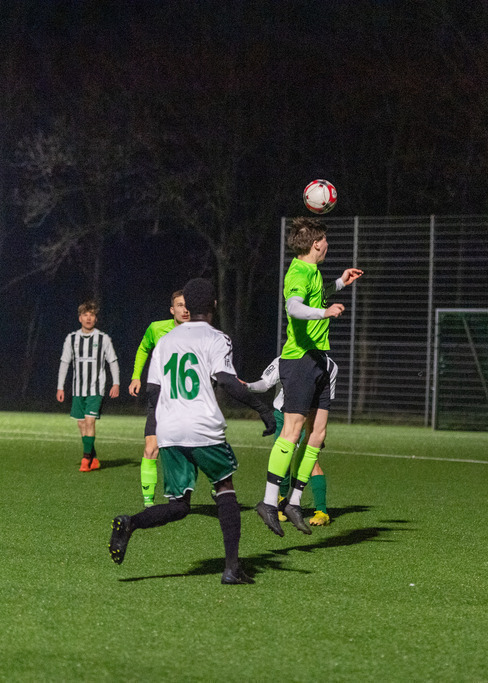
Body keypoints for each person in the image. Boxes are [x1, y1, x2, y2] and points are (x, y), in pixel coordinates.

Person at [108, 278, 276, 585]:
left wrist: (153, 431)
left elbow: (154, 392)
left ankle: (131, 523)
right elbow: (226, 381)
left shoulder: (165, 342)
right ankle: (231, 568)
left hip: (170, 429)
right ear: (213, 305)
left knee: (179, 506)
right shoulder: (217, 338)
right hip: (202, 426)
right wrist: (263, 408)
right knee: (225, 488)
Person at [256, 216, 362, 536]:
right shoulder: (299, 271)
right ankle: (269, 501)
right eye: (326, 240)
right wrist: (324, 313)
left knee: (317, 435)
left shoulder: (314, 272)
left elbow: (318, 295)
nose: (328, 245)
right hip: (299, 359)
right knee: (292, 432)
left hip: (317, 359)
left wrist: (341, 283)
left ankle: (294, 501)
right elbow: (295, 307)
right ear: (316, 244)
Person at [245, 356, 338, 526]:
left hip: (310, 416)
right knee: (283, 462)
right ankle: (281, 503)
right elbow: (265, 383)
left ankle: (321, 511)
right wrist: (247, 386)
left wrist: (317, 428)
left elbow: (325, 399)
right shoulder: (284, 359)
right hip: (284, 415)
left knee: (311, 463)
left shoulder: (330, 365)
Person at [129, 290, 190, 506]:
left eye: (187, 305)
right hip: (160, 396)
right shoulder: (156, 328)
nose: (185, 309)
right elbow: (143, 348)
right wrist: (136, 376)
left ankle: (217, 487)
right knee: (150, 447)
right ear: (172, 310)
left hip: (187, 400)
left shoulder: (200, 332)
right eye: (180, 305)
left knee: (195, 448)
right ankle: (148, 502)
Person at [56, 300, 121, 471]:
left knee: (90, 421)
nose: (89, 318)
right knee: (81, 424)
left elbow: (112, 360)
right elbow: (64, 362)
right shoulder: (71, 339)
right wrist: (60, 386)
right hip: (78, 389)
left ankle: (85, 460)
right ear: (80, 318)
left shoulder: (103, 338)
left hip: (96, 388)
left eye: (92, 315)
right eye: (85, 315)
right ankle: (93, 457)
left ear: (96, 319)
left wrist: (116, 383)